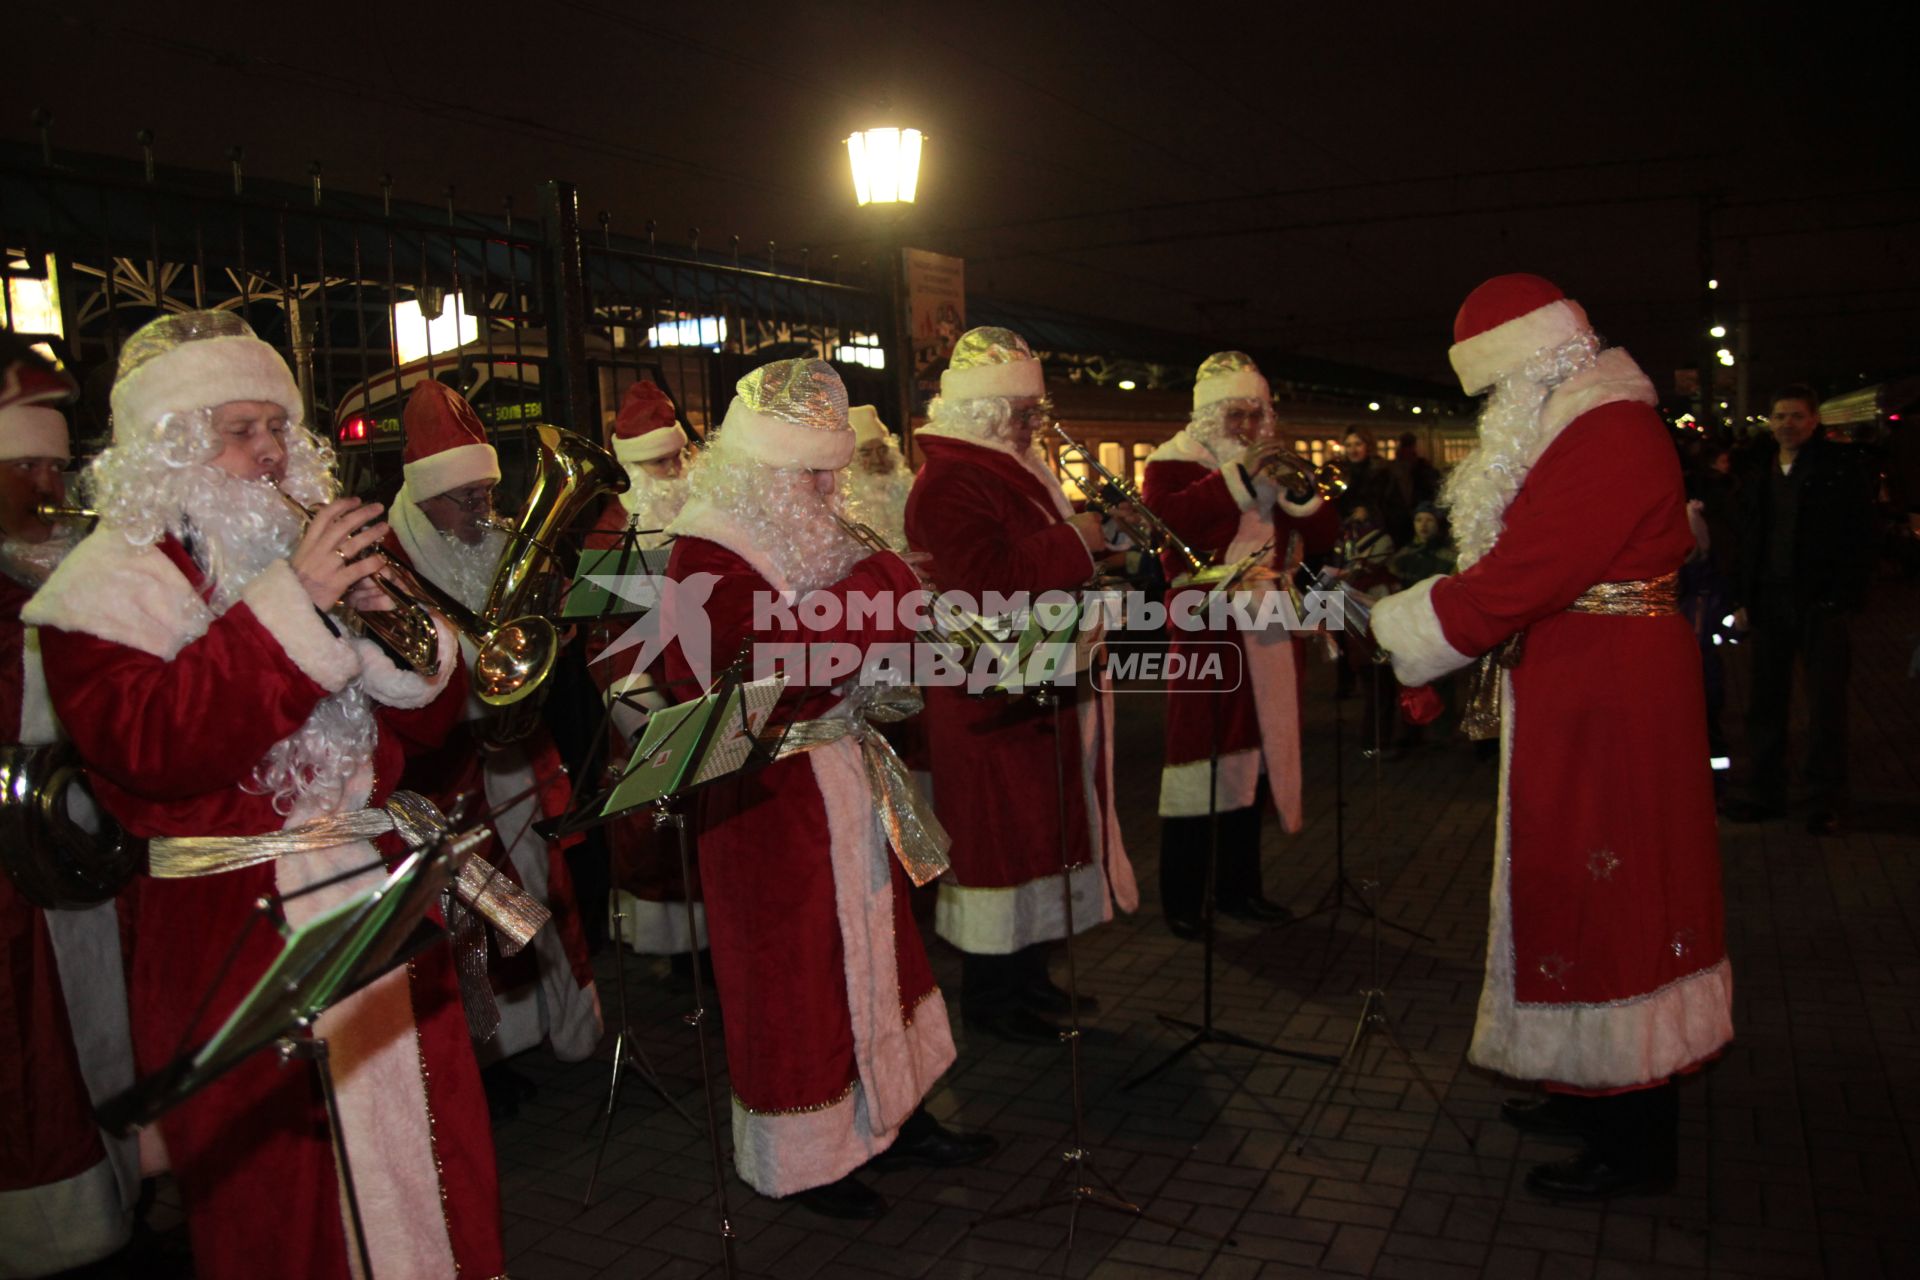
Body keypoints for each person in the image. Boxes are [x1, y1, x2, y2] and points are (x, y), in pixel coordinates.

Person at [27, 311, 503, 1277]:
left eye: (278, 427)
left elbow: (431, 726)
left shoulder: (314, 556)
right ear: (169, 446)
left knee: (436, 1159)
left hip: (372, 904)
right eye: (236, 430)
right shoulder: (97, 589)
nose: (269, 452)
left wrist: (390, 635)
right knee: (284, 1212)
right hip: (231, 929)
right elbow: (152, 747)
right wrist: (290, 604)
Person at [1372, 274, 1731, 1200]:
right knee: (1568, 881)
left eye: (1496, 386)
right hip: (1588, 684)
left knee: (1609, 889)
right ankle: (1584, 1080)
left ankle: (1634, 1135)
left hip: (1611, 699)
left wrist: (1401, 624)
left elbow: (1529, 570)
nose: (1494, 406)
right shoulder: (1582, 422)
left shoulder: (1604, 433)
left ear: (1536, 365)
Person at [663, 357, 993, 1219]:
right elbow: (764, 668)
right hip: (766, 801)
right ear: (757, 469)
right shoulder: (707, 551)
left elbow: (847, 658)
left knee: (882, 955)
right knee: (795, 977)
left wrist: (903, 652)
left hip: (843, 772)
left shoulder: (821, 534)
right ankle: (813, 1155)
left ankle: (897, 1112)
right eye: (809, 470)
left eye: (831, 466)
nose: (829, 483)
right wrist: (880, 591)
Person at [904, 327, 1136, 1042]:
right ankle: (993, 999)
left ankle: (1030, 977)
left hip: (1032, 685)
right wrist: (1082, 540)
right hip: (987, 696)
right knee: (997, 846)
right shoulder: (948, 481)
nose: (1037, 423)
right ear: (984, 412)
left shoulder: (1008, 469)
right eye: (1025, 411)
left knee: (1039, 839)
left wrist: (1100, 549)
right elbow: (985, 581)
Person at [388, 381, 602, 1078]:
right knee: (476, 912)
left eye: (486, 494)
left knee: (541, 896)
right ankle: (492, 1054)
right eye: (467, 499)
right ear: (424, 496)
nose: (484, 512)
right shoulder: (395, 556)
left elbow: (534, 642)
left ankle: (551, 1025)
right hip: (449, 765)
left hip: (519, 751)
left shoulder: (495, 540)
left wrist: (551, 636)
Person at [0, 335, 139, 1275]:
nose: (49, 483)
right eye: (25, 466)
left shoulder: (78, 566)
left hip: (88, 847)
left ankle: (122, 1201)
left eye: (56, 461)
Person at [1141, 351, 1337, 939]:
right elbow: (1174, 526)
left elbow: (1323, 536)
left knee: (1255, 756)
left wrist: (1300, 492)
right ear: (1208, 417)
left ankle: (1240, 889)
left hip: (1268, 623)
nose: (1249, 429)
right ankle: (1182, 899)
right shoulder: (1171, 464)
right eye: (1237, 416)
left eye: (1258, 416)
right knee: (1197, 763)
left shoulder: (1267, 468)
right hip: (1206, 627)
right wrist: (1241, 477)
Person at [584, 379, 706, 965]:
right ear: (635, 467)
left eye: (680, 455)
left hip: (704, 684)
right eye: (663, 461)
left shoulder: (704, 517)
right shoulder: (613, 531)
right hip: (651, 694)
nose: (678, 469)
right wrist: (646, 716)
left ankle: (708, 943)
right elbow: (606, 638)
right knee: (655, 829)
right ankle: (669, 949)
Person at [1721, 385, 1878, 835]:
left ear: (1814, 422)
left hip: (1819, 602)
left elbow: (1861, 536)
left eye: (1795, 416)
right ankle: (1763, 792)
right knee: (1764, 701)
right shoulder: (1758, 472)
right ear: (1769, 423)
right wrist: (1742, 598)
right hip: (1769, 601)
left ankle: (1823, 800)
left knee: (1825, 705)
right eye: (1779, 416)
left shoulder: (1839, 470)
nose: (1787, 424)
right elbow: (1744, 541)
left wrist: (1843, 597)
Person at [843, 404, 911, 551]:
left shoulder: (909, 491)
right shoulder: (843, 506)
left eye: (883, 450)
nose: (877, 460)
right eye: (866, 453)